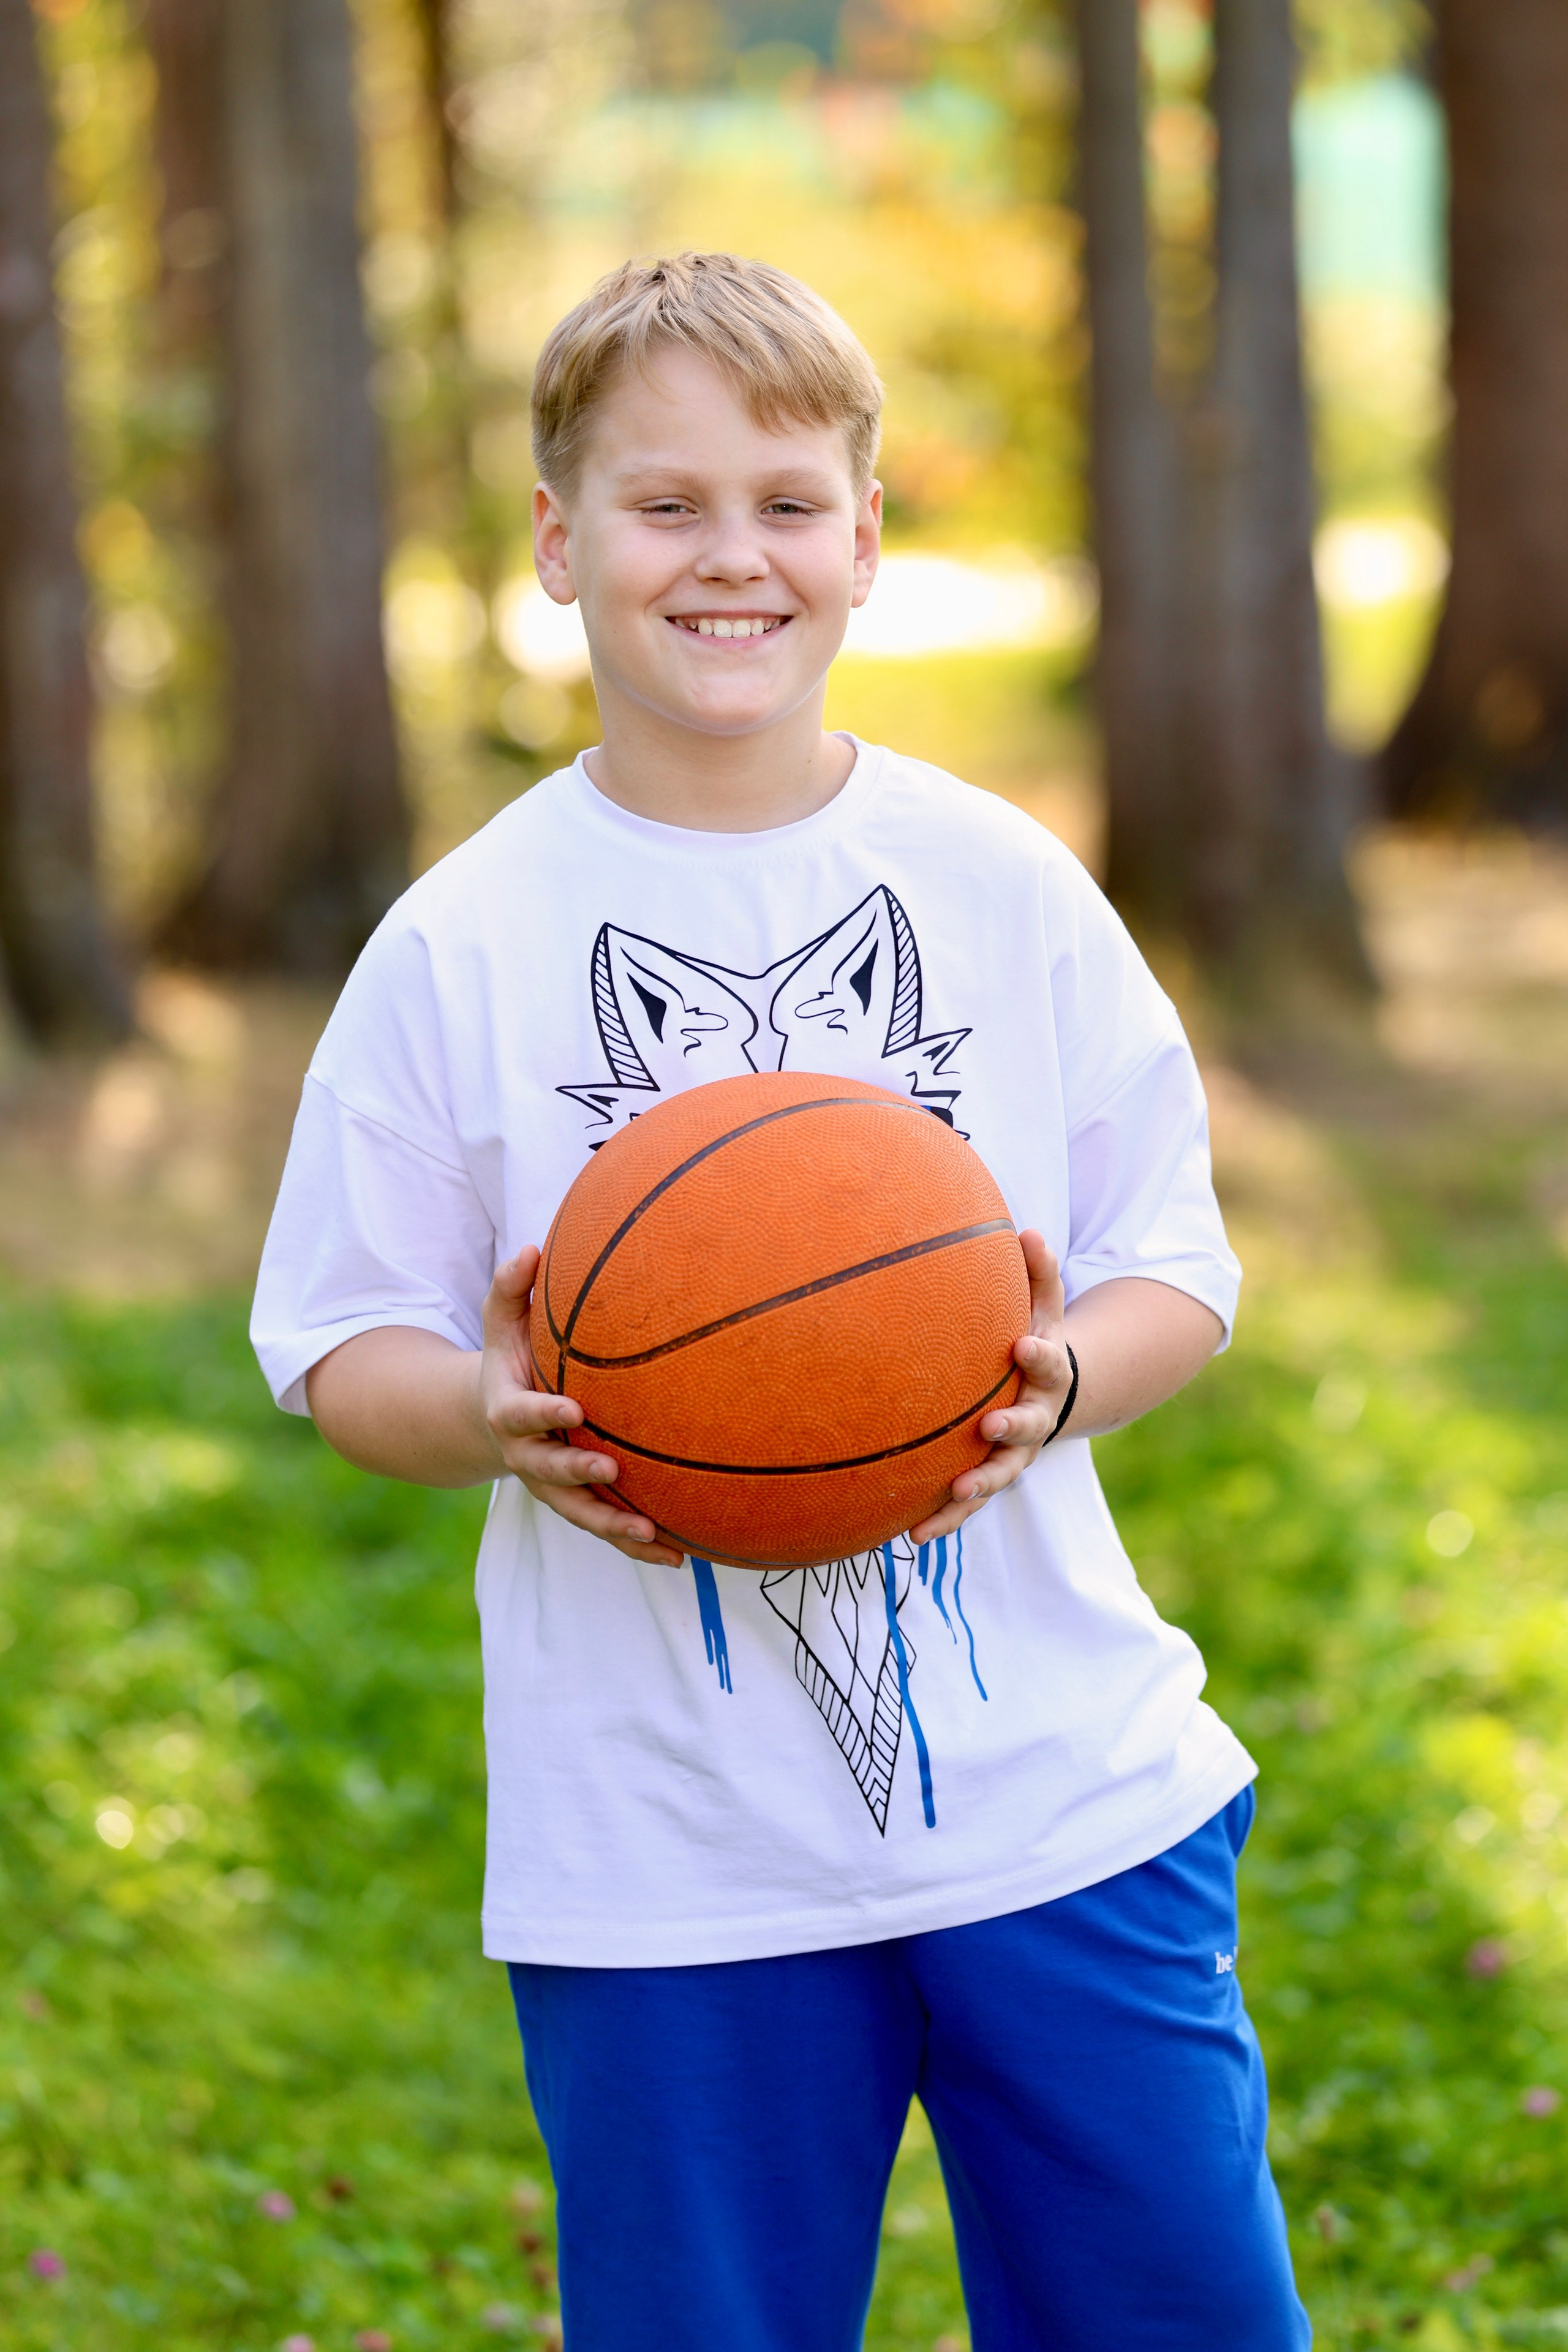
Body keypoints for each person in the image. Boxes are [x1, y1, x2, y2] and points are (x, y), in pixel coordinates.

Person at [252, 251, 1309, 2351]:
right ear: (558, 543)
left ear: (866, 541)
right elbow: (335, 1341)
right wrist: (489, 1417)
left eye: (786, 501)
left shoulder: (999, 886)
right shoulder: (464, 943)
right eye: (664, 504)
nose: (729, 555)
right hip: (665, 1862)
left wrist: (1055, 1377)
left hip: (1064, 1808)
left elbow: (1175, 1264)